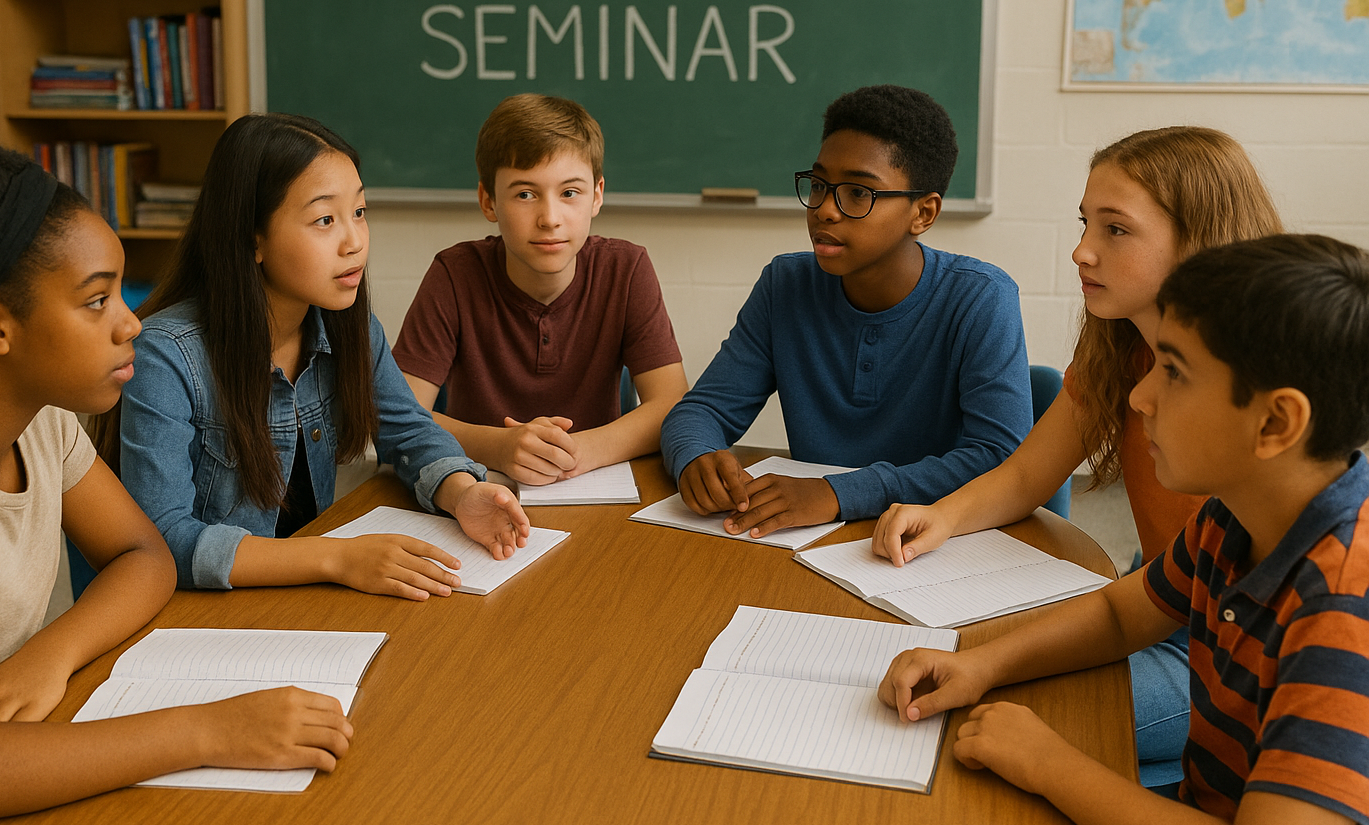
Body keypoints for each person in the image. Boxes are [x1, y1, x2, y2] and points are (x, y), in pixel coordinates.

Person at [0, 143, 351, 825]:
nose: (131, 323)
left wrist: (51, 654)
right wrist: (208, 730)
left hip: (1, 755)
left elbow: (144, 557)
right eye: (96, 299)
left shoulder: (33, 417)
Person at [880, 234, 1369, 825]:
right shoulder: (1236, 513)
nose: (1139, 399)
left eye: (1173, 371)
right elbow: (1120, 616)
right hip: (1207, 822)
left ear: (1275, 424)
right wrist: (978, 665)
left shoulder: (1343, 605)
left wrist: (1049, 763)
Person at [870, 126, 1282, 790]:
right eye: (1087, 222)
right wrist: (941, 517)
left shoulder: (1247, 401)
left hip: (1222, 656)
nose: (1082, 250)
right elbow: (1031, 472)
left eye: (1115, 230)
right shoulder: (1122, 349)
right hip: (1152, 602)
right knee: (970, 677)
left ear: (1199, 241)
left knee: (976, 720)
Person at [112, 113, 529, 599]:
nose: (354, 242)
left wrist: (462, 493)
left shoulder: (346, 325)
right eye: (325, 220)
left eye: (359, 212)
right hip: (206, 615)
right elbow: (163, 541)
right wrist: (336, 556)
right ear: (253, 239)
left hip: (305, 595)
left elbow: (409, 429)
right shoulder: (166, 357)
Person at [660, 83, 1032, 538]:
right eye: (818, 185)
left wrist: (838, 493)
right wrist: (696, 455)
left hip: (933, 545)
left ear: (923, 213)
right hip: (805, 540)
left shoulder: (980, 298)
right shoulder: (786, 285)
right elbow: (701, 410)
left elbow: (997, 457)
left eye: (858, 193)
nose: (824, 211)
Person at [393, 93, 688, 487]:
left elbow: (671, 406)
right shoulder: (454, 274)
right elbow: (398, 417)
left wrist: (574, 453)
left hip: (599, 491)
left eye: (569, 193)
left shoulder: (626, 270)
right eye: (525, 194)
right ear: (488, 200)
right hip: (477, 490)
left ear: (597, 195)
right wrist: (499, 446)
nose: (550, 219)